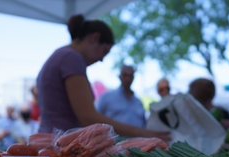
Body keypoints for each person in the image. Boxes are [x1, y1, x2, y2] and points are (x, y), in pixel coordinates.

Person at [36, 14, 170, 141]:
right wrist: (144, 134)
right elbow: (88, 117)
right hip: (58, 145)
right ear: (94, 38)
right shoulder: (72, 58)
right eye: (104, 51)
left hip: (48, 140)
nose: (101, 59)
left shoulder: (60, 54)